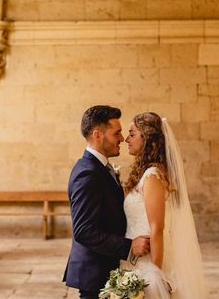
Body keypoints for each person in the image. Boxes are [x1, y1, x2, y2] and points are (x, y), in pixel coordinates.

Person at [64, 105, 151, 299]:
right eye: (117, 133)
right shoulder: (88, 173)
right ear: (98, 135)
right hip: (95, 273)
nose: (122, 138)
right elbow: (83, 230)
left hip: (106, 269)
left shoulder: (100, 168)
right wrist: (129, 247)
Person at [120, 112, 208, 298]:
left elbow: (157, 228)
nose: (126, 139)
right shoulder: (143, 174)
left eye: (132, 134)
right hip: (134, 258)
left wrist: (154, 275)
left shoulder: (152, 176)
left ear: (147, 138)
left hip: (148, 262)